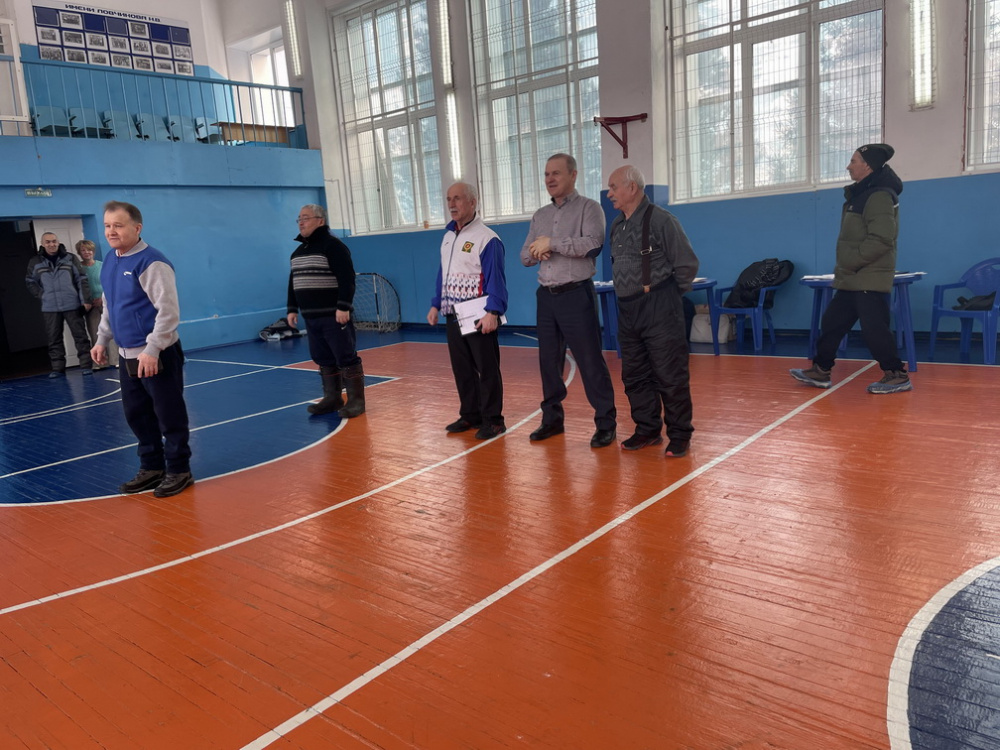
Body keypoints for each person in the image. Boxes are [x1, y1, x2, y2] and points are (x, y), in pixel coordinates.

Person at [91, 201, 194, 498]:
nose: (111, 231)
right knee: (138, 415)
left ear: (137, 228)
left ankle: (179, 470)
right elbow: (110, 305)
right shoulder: (110, 260)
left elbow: (168, 312)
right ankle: (152, 467)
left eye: (118, 225)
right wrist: (102, 339)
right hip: (127, 356)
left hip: (157, 354)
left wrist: (153, 348)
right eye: (107, 225)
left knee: (169, 415)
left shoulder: (152, 262)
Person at [790, 143, 911, 394]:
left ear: (868, 166)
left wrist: (852, 261)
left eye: (853, 161)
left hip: (868, 276)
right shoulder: (861, 194)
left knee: (875, 330)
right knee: (832, 323)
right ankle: (821, 370)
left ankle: (896, 374)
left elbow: (882, 239)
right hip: (853, 277)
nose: (848, 166)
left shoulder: (878, 196)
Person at [520, 153, 616, 448]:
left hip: (576, 295)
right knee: (548, 361)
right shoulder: (540, 215)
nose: (549, 179)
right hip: (546, 297)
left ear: (573, 175)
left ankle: (605, 423)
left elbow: (593, 244)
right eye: (546, 174)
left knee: (590, 360)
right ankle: (552, 420)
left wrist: (553, 243)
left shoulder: (589, 208)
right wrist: (537, 250)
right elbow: (524, 256)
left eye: (556, 173)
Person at [606, 165, 699, 457]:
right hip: (627, 309)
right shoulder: (617, 225)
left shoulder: (661, 220)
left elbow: (686, 264)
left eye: (613, 187)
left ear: (632, 187)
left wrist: (667, 295)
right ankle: (647, 429)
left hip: (659, 306)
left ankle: (680, 434)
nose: (609, 194)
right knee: (634, 375)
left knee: (670, 374)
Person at [427, 182, 508, 440]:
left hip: (478, 313)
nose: (452, 204)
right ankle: (471, 414)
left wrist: (493, 312)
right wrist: (436, 303)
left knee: (487, 368)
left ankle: (494, 420)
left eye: (458, 198)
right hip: (453, 312)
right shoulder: (448, 237)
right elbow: (443, 273)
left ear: (473, 202)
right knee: (462, 368)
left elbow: (496, 279)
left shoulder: (487, 238)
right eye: (449, 199)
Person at [286, 204, 365, 418]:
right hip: (311, 316)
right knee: (323, 358)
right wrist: (292, 309)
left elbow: (347, 278)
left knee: (345, 356)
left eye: (306, 218)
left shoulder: (333, 246)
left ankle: (357, 401)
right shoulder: (297, 253)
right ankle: (332, 398)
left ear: (320, 221)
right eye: (299, 219)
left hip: (334, 315)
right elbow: (293, 282)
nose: (301, 222)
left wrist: (343, 306)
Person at [25, 232, 94, 378]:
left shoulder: (70, 258)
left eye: (54, 241)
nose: (52, 244)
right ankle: (58, 368)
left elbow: (81, 279)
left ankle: (86, 365)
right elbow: (30, 282)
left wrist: (85, 301)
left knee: (80, 336)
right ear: (42, 244)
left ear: (58, 242)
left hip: (72, 304)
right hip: (50, 307)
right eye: (48, 242)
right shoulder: (35, 261)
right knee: (54, 338)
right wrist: (42, 295)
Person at [76, 239, 119, 370]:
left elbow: (111, 283)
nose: (87, 252)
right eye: (83, 250)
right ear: (79, 253)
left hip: (105, 302)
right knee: (95, 333)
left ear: (93, 251)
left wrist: (102, 298)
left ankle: (116, 360)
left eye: (89, 250)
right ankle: (100, 362)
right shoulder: (78, 268)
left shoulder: (102, 265)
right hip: (90, 306)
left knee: (111, 331)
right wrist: (87, 301)